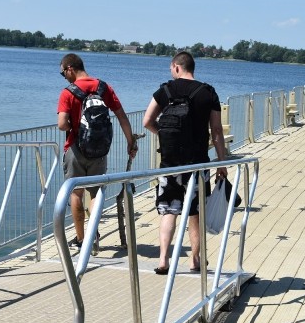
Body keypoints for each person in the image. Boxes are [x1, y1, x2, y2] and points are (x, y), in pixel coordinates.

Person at [143, 51, 228, 275]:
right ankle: (195, 260)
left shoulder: (165, 90)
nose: (171, 73)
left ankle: (163, 260)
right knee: (195, 211)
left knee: (168, 211)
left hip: (169, 162)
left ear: (177, 67)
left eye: (171, 69)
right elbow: (217, 131)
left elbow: (147, 121)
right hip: (197, 164)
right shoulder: (207, 92)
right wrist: (221, 163)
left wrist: (161, 134)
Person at [57, 53, 138, 249]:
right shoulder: (103, 87)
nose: (64, 77)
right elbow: (121, 116)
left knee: (76, 194)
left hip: (75, 149)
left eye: (63, 73)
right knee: (95, 193)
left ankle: (82, 239)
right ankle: (93, 234)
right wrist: (130, 142)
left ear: (70, 68)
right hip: (99, 150)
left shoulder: (68, 92)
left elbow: (61, 124)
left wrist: (72, 127)